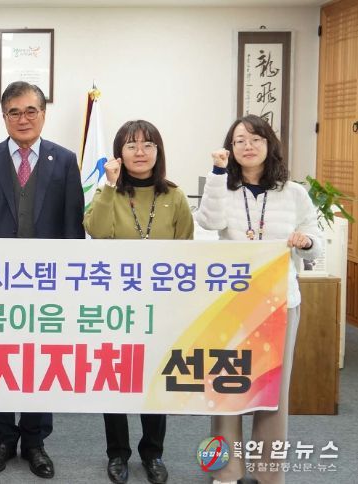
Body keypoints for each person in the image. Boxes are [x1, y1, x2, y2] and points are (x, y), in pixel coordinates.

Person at [0, 81, 85, 479]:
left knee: (40, 360)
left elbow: (73, 225)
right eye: (14, 112)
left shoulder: (63, 160)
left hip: (47, 282)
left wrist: (70, 281)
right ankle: (2, 439)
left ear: (43, 113)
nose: (23, 118)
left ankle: (34, 441)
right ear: (4, 117)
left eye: (31, 110)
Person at [196, 115, 322, 484]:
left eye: (255, 139)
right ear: (231, 149)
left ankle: (269, 474)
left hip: (280, 302)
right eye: (239, 141)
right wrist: (217, 173)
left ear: (269, 144)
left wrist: (307, 242)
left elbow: (315, 239)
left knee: (274, 392)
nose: (247, 146)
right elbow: (208, 221)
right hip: (232, 304)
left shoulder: (294, 192)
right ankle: (225, 472)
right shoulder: (223, 186)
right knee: (226, 388)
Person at [84, 120, 192, 484]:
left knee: (154, 380)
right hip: (115, 304)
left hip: (160, 305)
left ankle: (152, 453)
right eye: (131, 146)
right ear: (119, 154)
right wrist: (109, 185)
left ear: (158, 152)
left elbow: (185, 251)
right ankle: (117, 453)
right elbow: (97, 230)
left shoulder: (174, 196)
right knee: (115, 379)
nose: (140, 152)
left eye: (148, 145)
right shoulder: (109, 192)